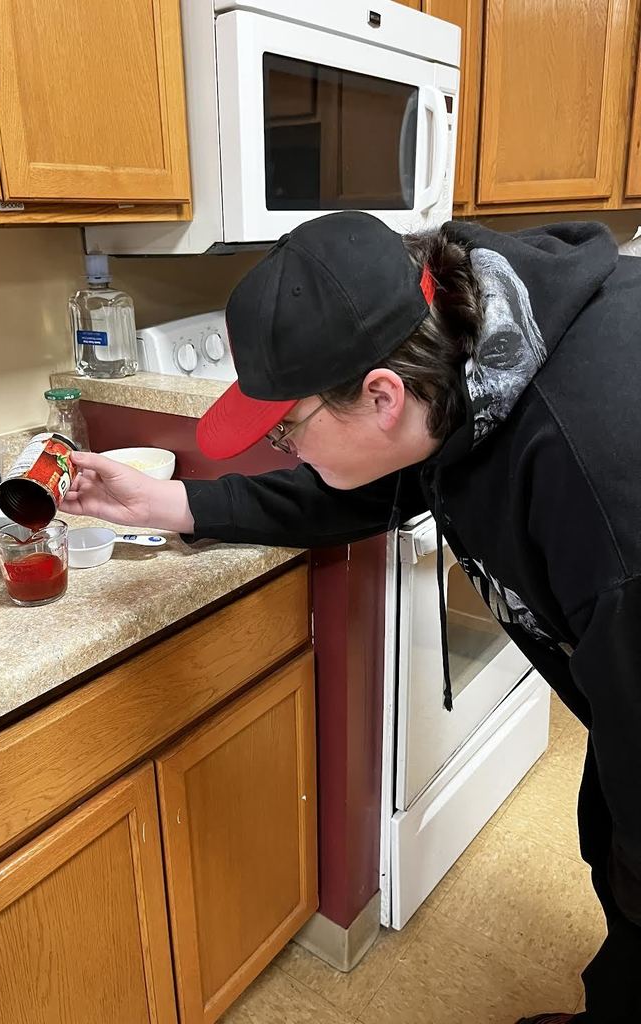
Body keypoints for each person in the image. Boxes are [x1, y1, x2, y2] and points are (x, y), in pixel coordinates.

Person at [62, 210, 641, 1024]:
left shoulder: (599, 481)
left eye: (289, 434)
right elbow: (364, 482)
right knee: (609, 834)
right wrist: (172, 502)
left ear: (380, 394)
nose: (289, 453)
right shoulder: (464, 343)